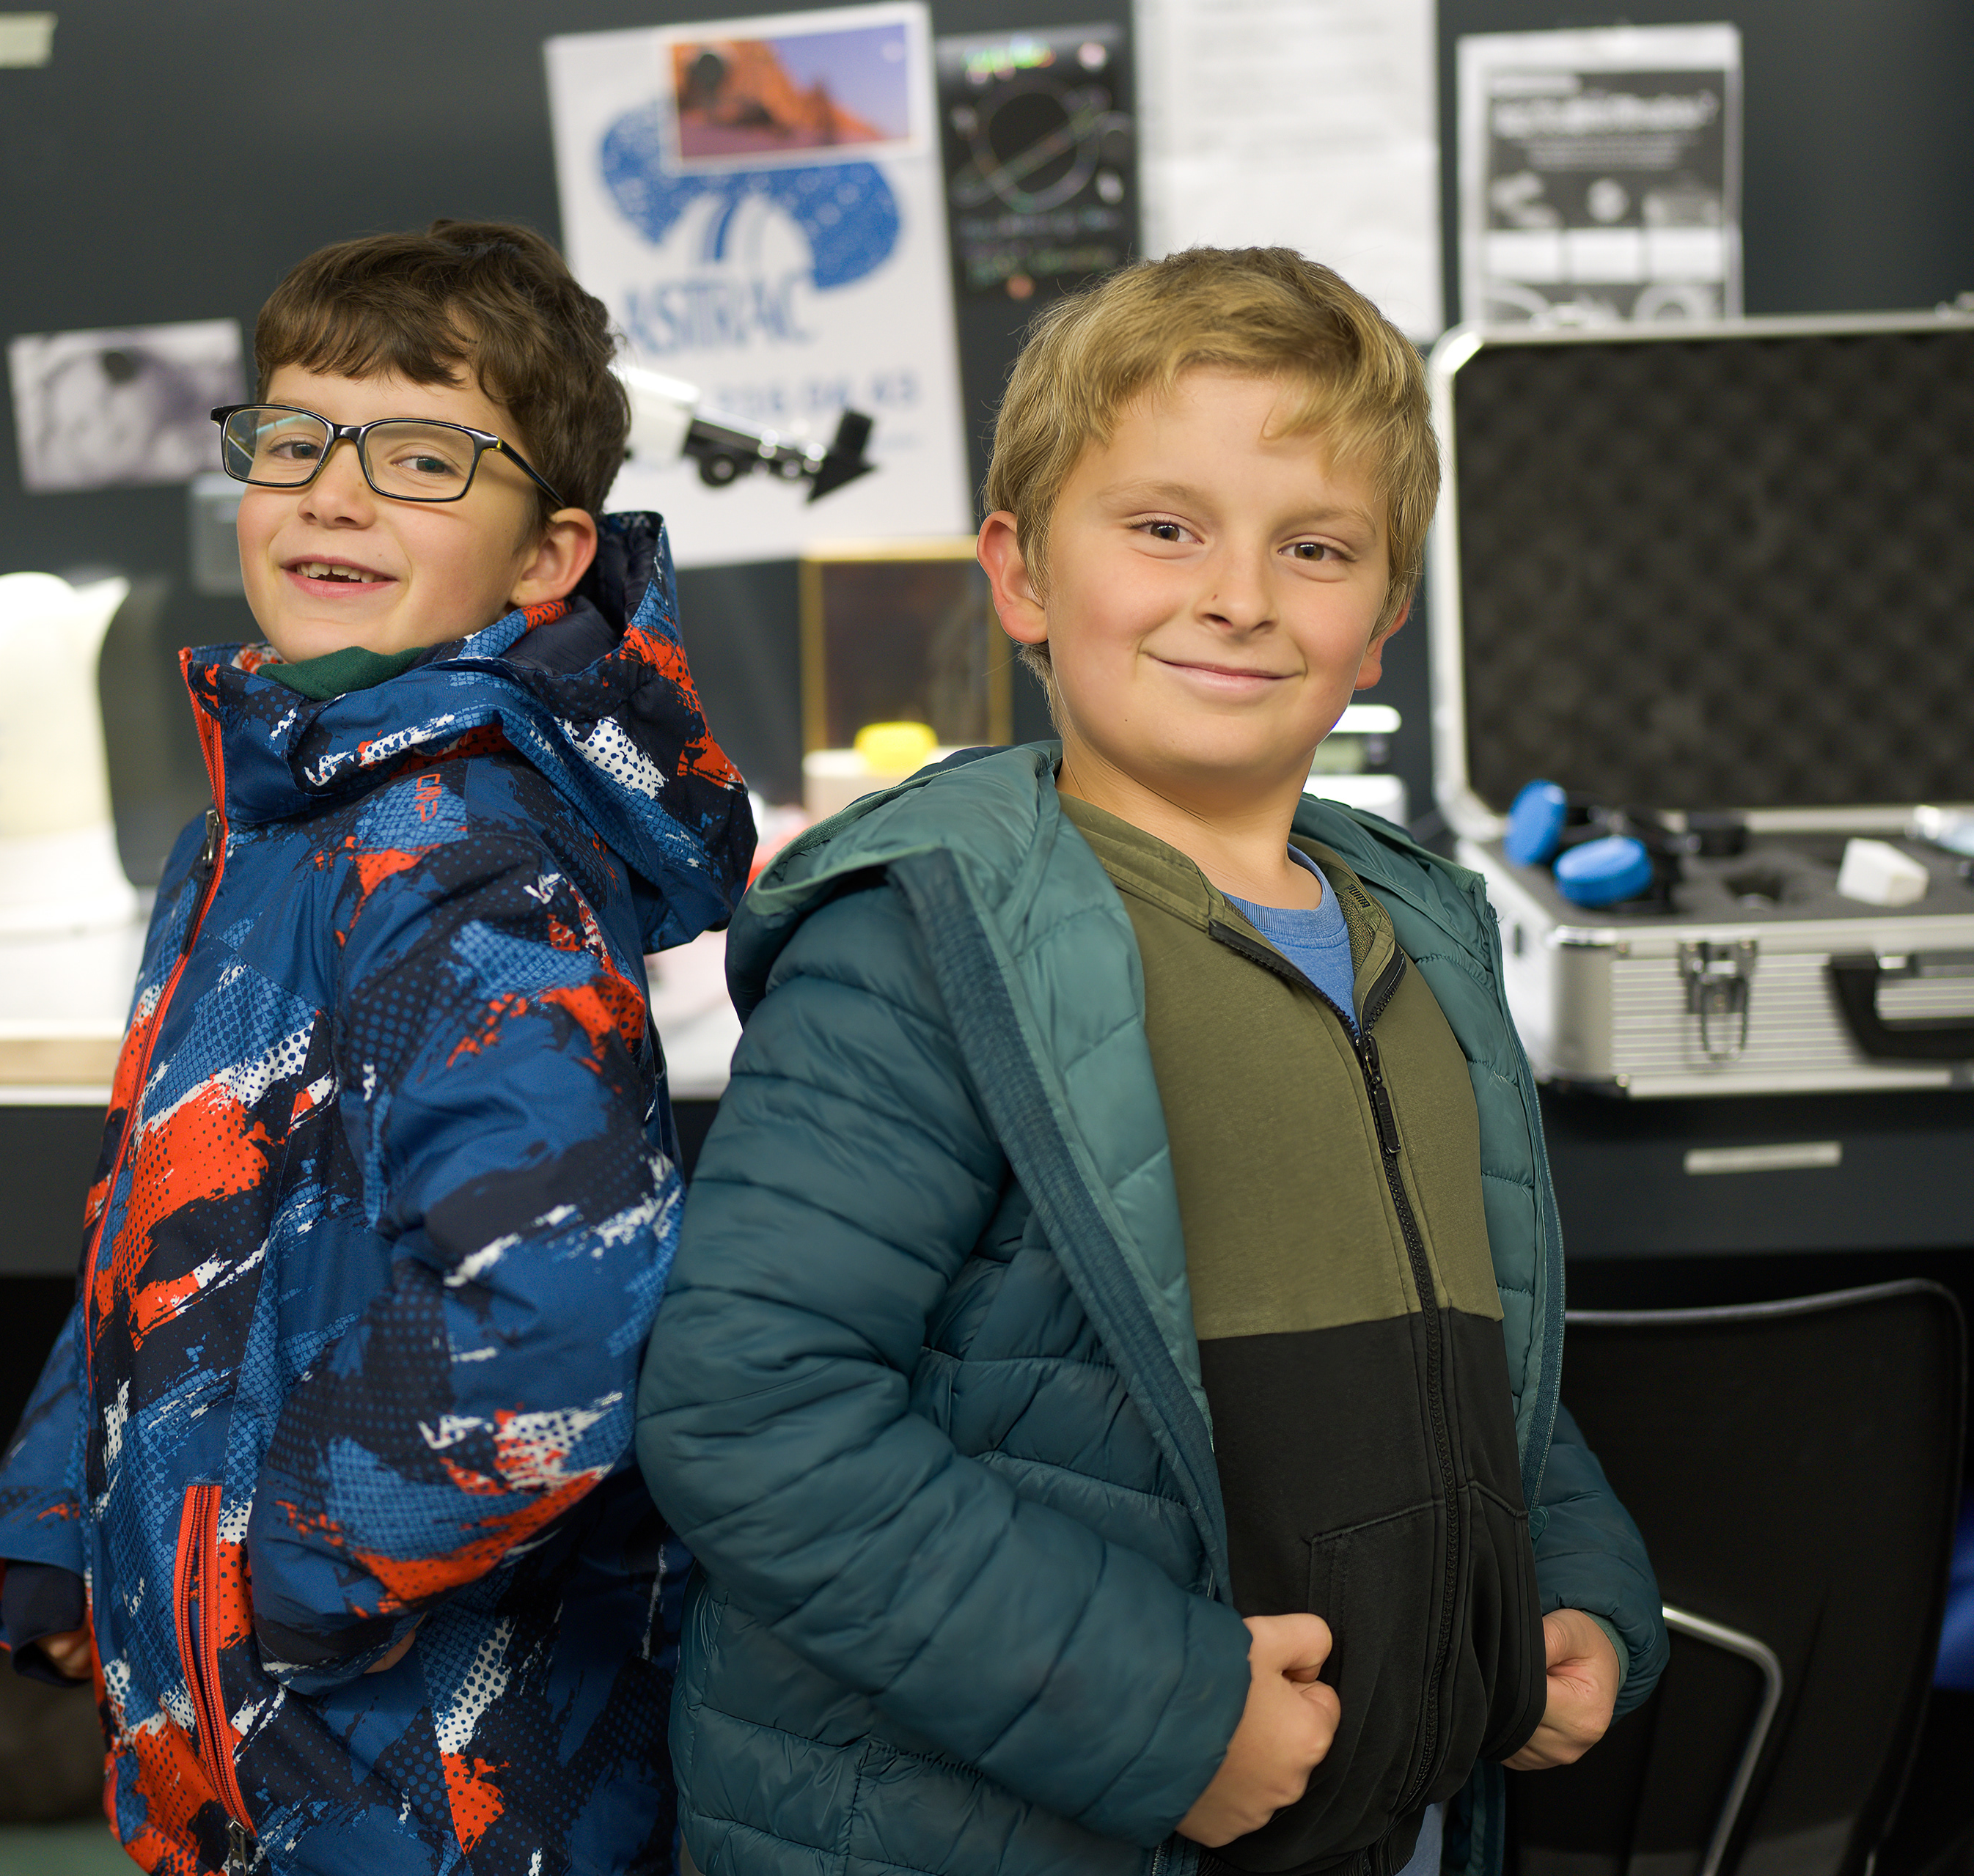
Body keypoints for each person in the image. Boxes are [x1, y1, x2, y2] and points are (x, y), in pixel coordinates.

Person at [634, 246, 1666, 1876]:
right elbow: (750, 1414)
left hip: (1373, 1824)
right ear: (1022, 574)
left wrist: (1577, 1584)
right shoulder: (925, 939)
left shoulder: (1428, 939)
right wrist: (1167, 1717)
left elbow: (1476, 1358)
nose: (1240, 594)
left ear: (1383, 620)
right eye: (1166, 527)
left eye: (1313, 547)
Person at [0, 221, 755, 1876]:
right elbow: (162, 1235)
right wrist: (70, 1525)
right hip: (252, 1734)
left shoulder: (470, 872)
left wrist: (260, 1583)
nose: (332, 493)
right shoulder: (265, 832)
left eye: (420, 459)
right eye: (296, 440)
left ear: (545, 556)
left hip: (429, 1785)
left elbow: (550, 1337)